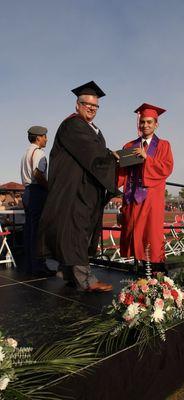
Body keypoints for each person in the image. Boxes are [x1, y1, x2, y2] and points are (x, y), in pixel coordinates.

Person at [38, 81, 118, 292]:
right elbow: (94, 156)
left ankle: (68, 274)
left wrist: (112, 157)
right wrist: (114, 158)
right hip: (74, 191)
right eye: (87, 104)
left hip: (84, 189)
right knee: (76, 233)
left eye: (95, 106)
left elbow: (98, 155)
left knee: (72, 233)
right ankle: (86, 281)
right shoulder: (73, 125)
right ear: (77, 104)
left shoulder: (93, 129)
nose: (91, 108)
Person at [117, 103, 174, 273]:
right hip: (132, 198)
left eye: (149, 122)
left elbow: (166, 168)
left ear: (156, 124)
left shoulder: (164, 145)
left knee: (152, 234)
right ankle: (138, 269)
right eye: (142, 122)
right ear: (139, 123)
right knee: (134, 232)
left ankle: (156, 272)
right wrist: (114, 162)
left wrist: (146, 158)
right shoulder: (129, 146)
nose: (145, 125)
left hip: (152, 199)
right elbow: (121, 174)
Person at [21, 126, 55, 276]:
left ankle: (30, 266)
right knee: (38, 231)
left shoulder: (26, 153)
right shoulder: (38, 152)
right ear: (38, 138)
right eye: (45, 136)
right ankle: (38, 267)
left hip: (28, 192)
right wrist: (49, 188)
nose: (46, 139)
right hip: (36, 192)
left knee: (30, 230)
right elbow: (37, 173)